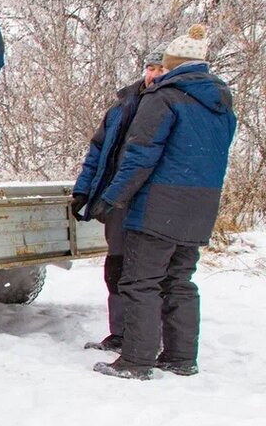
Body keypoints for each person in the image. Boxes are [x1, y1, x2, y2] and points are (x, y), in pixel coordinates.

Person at [90, 25, 237, 380]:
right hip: (200, 209)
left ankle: (136, 362)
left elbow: (140, 156)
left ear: (173, 65)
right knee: (180, 282)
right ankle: (181, 358)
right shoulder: (220, 105)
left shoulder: (164, 98)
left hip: (158, 206)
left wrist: (112, 198)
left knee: (141, 281)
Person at [71, 46, 169, 353]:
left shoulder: (170, 105)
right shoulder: (122, 105)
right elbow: (98, 152)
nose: (154, 74)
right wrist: (83, 190)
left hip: (148, 202)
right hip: (115, 201)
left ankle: (145, 338)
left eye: (161, 69)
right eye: (151, 67)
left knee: (143, 274)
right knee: (115, 268)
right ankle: (120, 333)